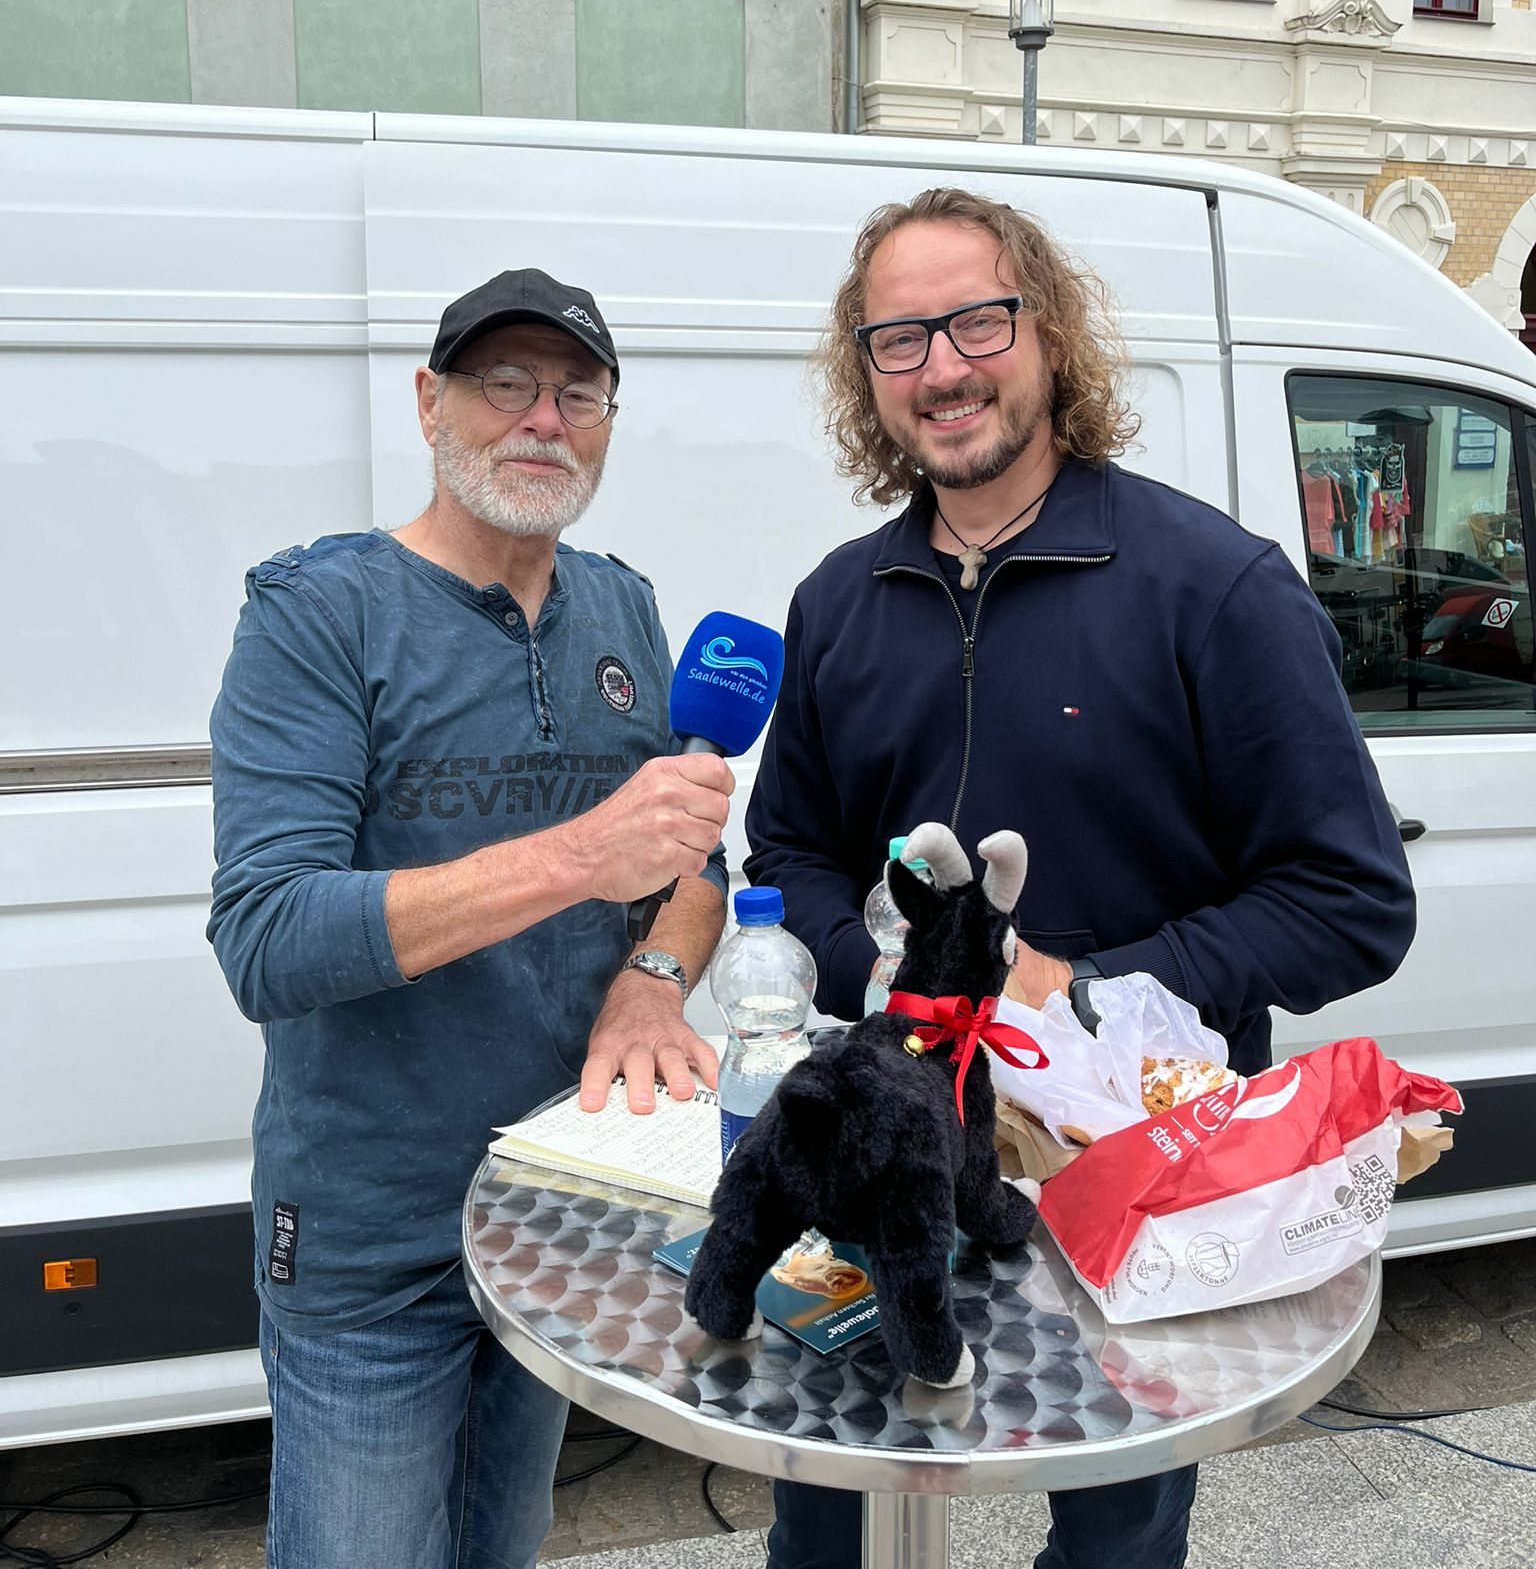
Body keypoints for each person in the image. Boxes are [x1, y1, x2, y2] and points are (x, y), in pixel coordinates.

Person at [746, 188, 1416, 1569]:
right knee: (835, 1503)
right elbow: (792, 854)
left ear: (1048, 332)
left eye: (978, 322)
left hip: (1140, 1161)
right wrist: (883, 972)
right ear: (865, 376)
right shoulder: (838, 602)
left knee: (1119, 1531)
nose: (943, 368)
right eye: (898, 339)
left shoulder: (1214, 587)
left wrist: (1082, 989)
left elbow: (1349, 900)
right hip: (887, 1140)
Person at [208, 268, 734, 1569]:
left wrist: (655, 974)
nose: (543, 419)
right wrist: (578, 856)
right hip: (371, 1246)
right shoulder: (319, 611)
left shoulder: (623, 607)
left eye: (578, 394)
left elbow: (693, 862)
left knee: (502, 1549)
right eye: (506, 382)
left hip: (558, 1216)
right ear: (430, 402)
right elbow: (269, 938)